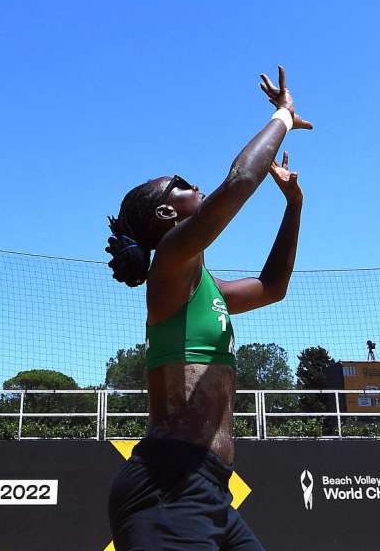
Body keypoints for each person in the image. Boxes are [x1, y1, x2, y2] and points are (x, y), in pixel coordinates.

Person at [105, 66, 312, 551]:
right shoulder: (170, 266)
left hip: (207, 488)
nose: (194, 185)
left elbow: (272, 286)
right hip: (167, 487)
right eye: (181, 183)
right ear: (165, 214)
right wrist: (283, 114)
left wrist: (293, 206)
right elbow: (240, 180)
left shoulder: (205, 287)